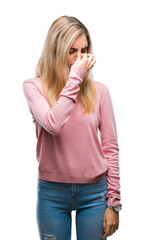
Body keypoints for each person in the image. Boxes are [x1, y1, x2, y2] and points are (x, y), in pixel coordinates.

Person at [23, 15, 122, 240]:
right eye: (71, 51)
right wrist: (75, 77)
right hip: (52, 194)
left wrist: (113, 203)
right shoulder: (34, 87)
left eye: (84, 50)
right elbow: (53, 124)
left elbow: (110, 148)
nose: (80, 59)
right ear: (56, 51)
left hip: (95, 194)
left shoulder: (100, 92)